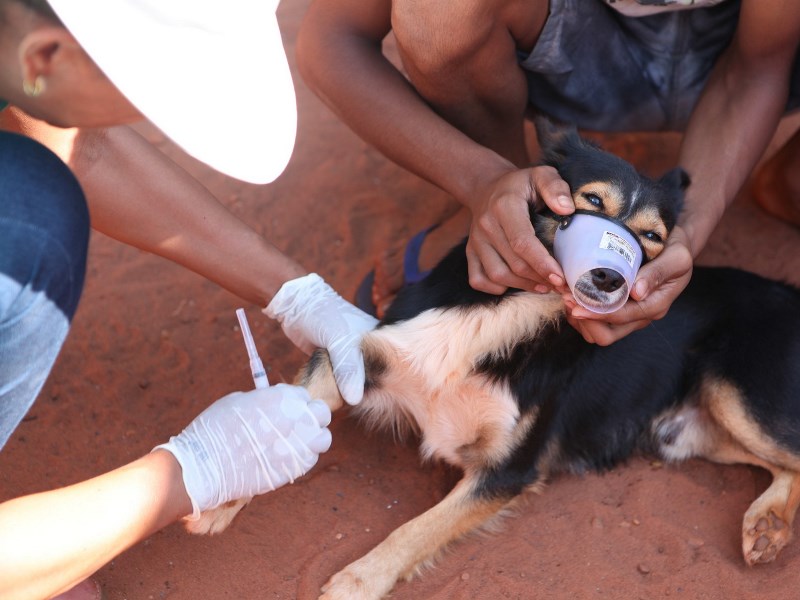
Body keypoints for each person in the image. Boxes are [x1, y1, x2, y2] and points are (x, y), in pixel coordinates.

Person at [0, 1, 378, 598]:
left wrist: (293, 293)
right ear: (46, 56)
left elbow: (69, 137)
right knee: (27, 236)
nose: (154, 120)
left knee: (30, 197)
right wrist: (192, 472)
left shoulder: (20, 46)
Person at [296, 0, 800, 345]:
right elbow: (332, 40)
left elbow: (757, 65)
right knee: (440, 9)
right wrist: (481, 180)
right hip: (575, 53)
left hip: (764, 51)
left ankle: (787, 180)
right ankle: (510, 212)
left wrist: (687, 230)